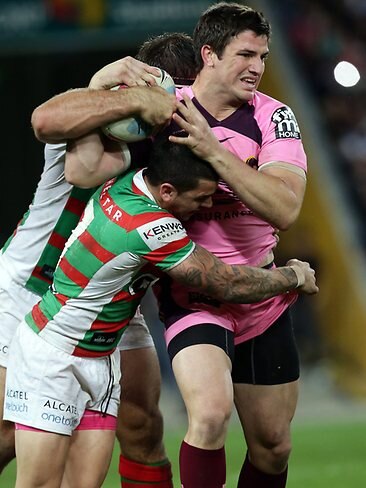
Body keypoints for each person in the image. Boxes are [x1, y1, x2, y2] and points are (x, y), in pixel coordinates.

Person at [29, 9, 313, 484]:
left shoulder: (274, 116)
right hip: (194, 295)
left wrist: (211, 150)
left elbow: (284, 209)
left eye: (262, 56)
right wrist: (103, 83)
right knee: (209, 414)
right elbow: (77, 165)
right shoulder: (163, 107)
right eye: (245, 54)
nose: (256, 67)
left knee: (273, 448)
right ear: (209, 54)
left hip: (263, 296)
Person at [3, 137, 318, 488]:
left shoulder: (126, 184)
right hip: (53, 357)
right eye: (200, 198)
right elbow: (225, 283)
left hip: (102, 357)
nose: (207, 205)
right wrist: (292, 276)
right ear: (167, 191)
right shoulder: (149, 227)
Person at [0, 38, 182, 486]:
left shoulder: (172, 146)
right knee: (7, 434)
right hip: (31, 289)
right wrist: (107, 87)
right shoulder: (89, 123)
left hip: (108, 298)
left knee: (142, 422)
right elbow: (59, 139)